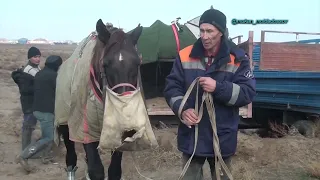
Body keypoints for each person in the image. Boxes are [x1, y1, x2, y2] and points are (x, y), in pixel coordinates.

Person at [163, 8, 256, 180]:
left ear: (220, 32)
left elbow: (247, 93)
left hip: (221, 138)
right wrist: (183, 109)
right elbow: (171, 88)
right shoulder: (184, 55)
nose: (204, 36)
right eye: (202, 30)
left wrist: (219, 88)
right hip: (192, 137)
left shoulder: (238, 58)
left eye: (209, 31)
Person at [15, 55, 63, 172]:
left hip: (36, 109)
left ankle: (45, 156)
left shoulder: (39, 73)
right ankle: (24, 155)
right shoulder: (54, 76)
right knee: (48, 137)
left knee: (49, 133)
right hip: (46, 111)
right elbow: (59, 93)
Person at [11, 47, 41, 152]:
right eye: (35, 57)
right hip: (29, 103)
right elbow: (25, 89)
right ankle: (25, 151)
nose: (38, 59)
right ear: (30, 58)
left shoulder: (36, 67)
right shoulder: (28, 70)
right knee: (28, 126)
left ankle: (28, 148)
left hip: (34, 102)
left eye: (38, 56)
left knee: (31, 126)